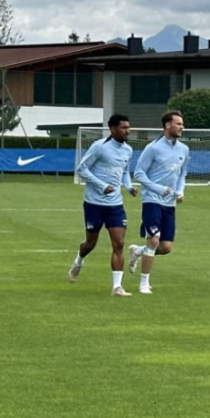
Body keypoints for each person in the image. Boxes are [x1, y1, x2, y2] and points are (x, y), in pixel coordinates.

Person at [68, 113, 139, 296]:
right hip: (94, 203)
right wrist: (102, 186)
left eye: (128, 128)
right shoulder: (99, 147)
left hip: (115, 205)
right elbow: (81, 169)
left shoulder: (128, 150)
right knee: (90, 243)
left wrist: (129, 187)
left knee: (119, 244)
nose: (127, 131)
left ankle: (117, 287)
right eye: (123, 128)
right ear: (113, 129)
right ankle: (79, 260)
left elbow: (124, 172)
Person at [127, 110, 189, 294]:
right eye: (178, 124)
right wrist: (158, 189)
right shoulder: (152, 148)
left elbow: (182, 174)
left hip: (170, 204)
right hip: (152, 200)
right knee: (153, 240)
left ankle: (138, 251)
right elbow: (138, 173)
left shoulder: (184, 149)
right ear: (167, 125)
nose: (181, 127)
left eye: (182, 124)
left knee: (166, 247)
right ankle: (144, 283)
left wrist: (180, 191)